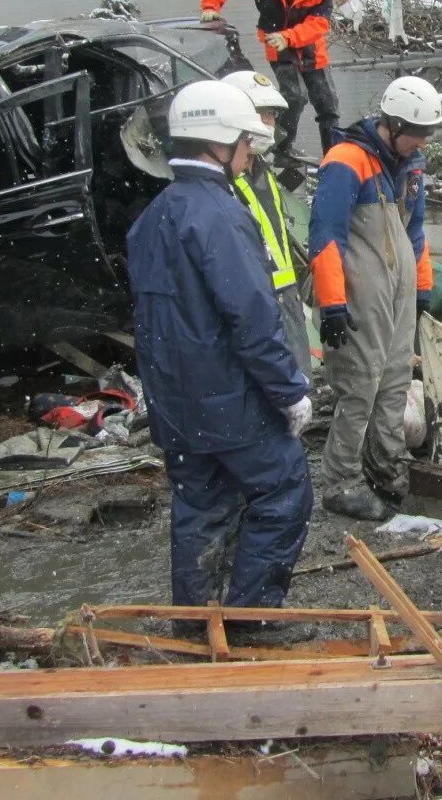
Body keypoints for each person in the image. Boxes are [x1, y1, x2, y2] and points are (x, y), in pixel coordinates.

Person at [126, 81, 313, 644]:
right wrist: (289, 390)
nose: (251, 152)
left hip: (176, 404)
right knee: (284, 494)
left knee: (200, 507)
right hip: (229, 400)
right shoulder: (221, 217)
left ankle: (195, 624)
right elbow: (252, 320)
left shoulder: (153, 215)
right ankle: (252, 621)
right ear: (219, 144)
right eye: (245, 143)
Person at [307, 76, 437, 521]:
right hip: (359, 291)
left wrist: (421, 290)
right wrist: (332, 303)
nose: (422, 143)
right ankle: (341, 482)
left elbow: (415, 233)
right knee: (360, 385)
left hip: (397, 292)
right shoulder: (347, 160)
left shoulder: (410, 165)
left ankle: (387, 467)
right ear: (392, 124)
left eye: (427, 134)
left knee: (396, 379)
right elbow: (325, 235)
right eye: (417, 133)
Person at [200, 0, 338, 157]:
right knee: (294, 96)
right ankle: (281, 149)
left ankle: (335, 158)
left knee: (329, 105)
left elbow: (320, 23)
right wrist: (210, 6)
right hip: (276, 40)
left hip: (310, 44)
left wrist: (290, 37)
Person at [219, 70, 312, 377]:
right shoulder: (222, 181)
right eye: (265, 114)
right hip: (257, 305)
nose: (271, 124)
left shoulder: (261, 171)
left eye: (273, 115)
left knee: (297, 388)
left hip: (285, 298)